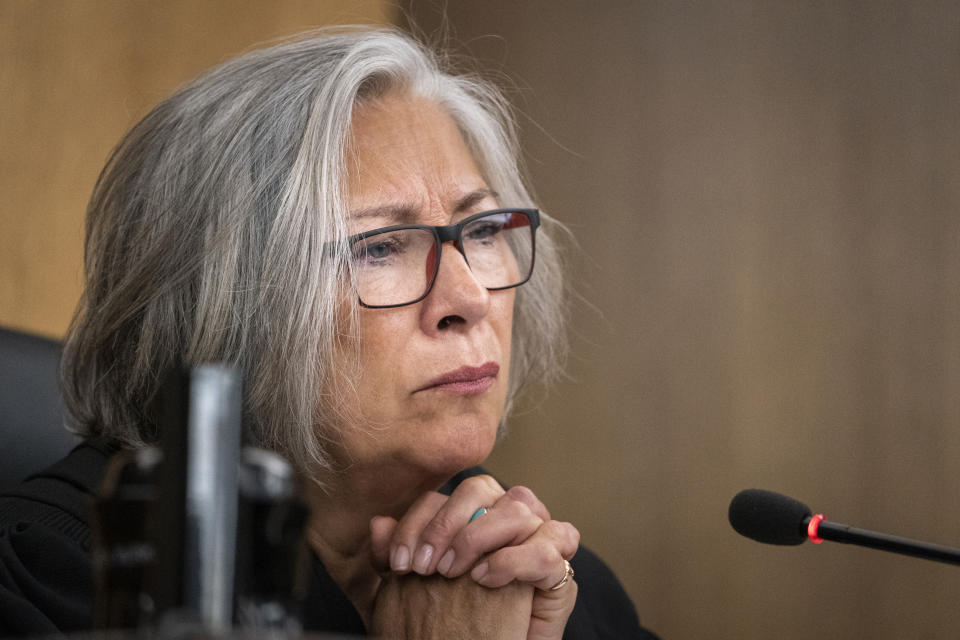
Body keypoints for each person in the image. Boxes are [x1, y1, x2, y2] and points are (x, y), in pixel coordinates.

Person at [0, 27, 657, 639]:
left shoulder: (541, 579)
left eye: (483, 231)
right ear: (223, 300)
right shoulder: (50, 585)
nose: (468, 298)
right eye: (379, 248)